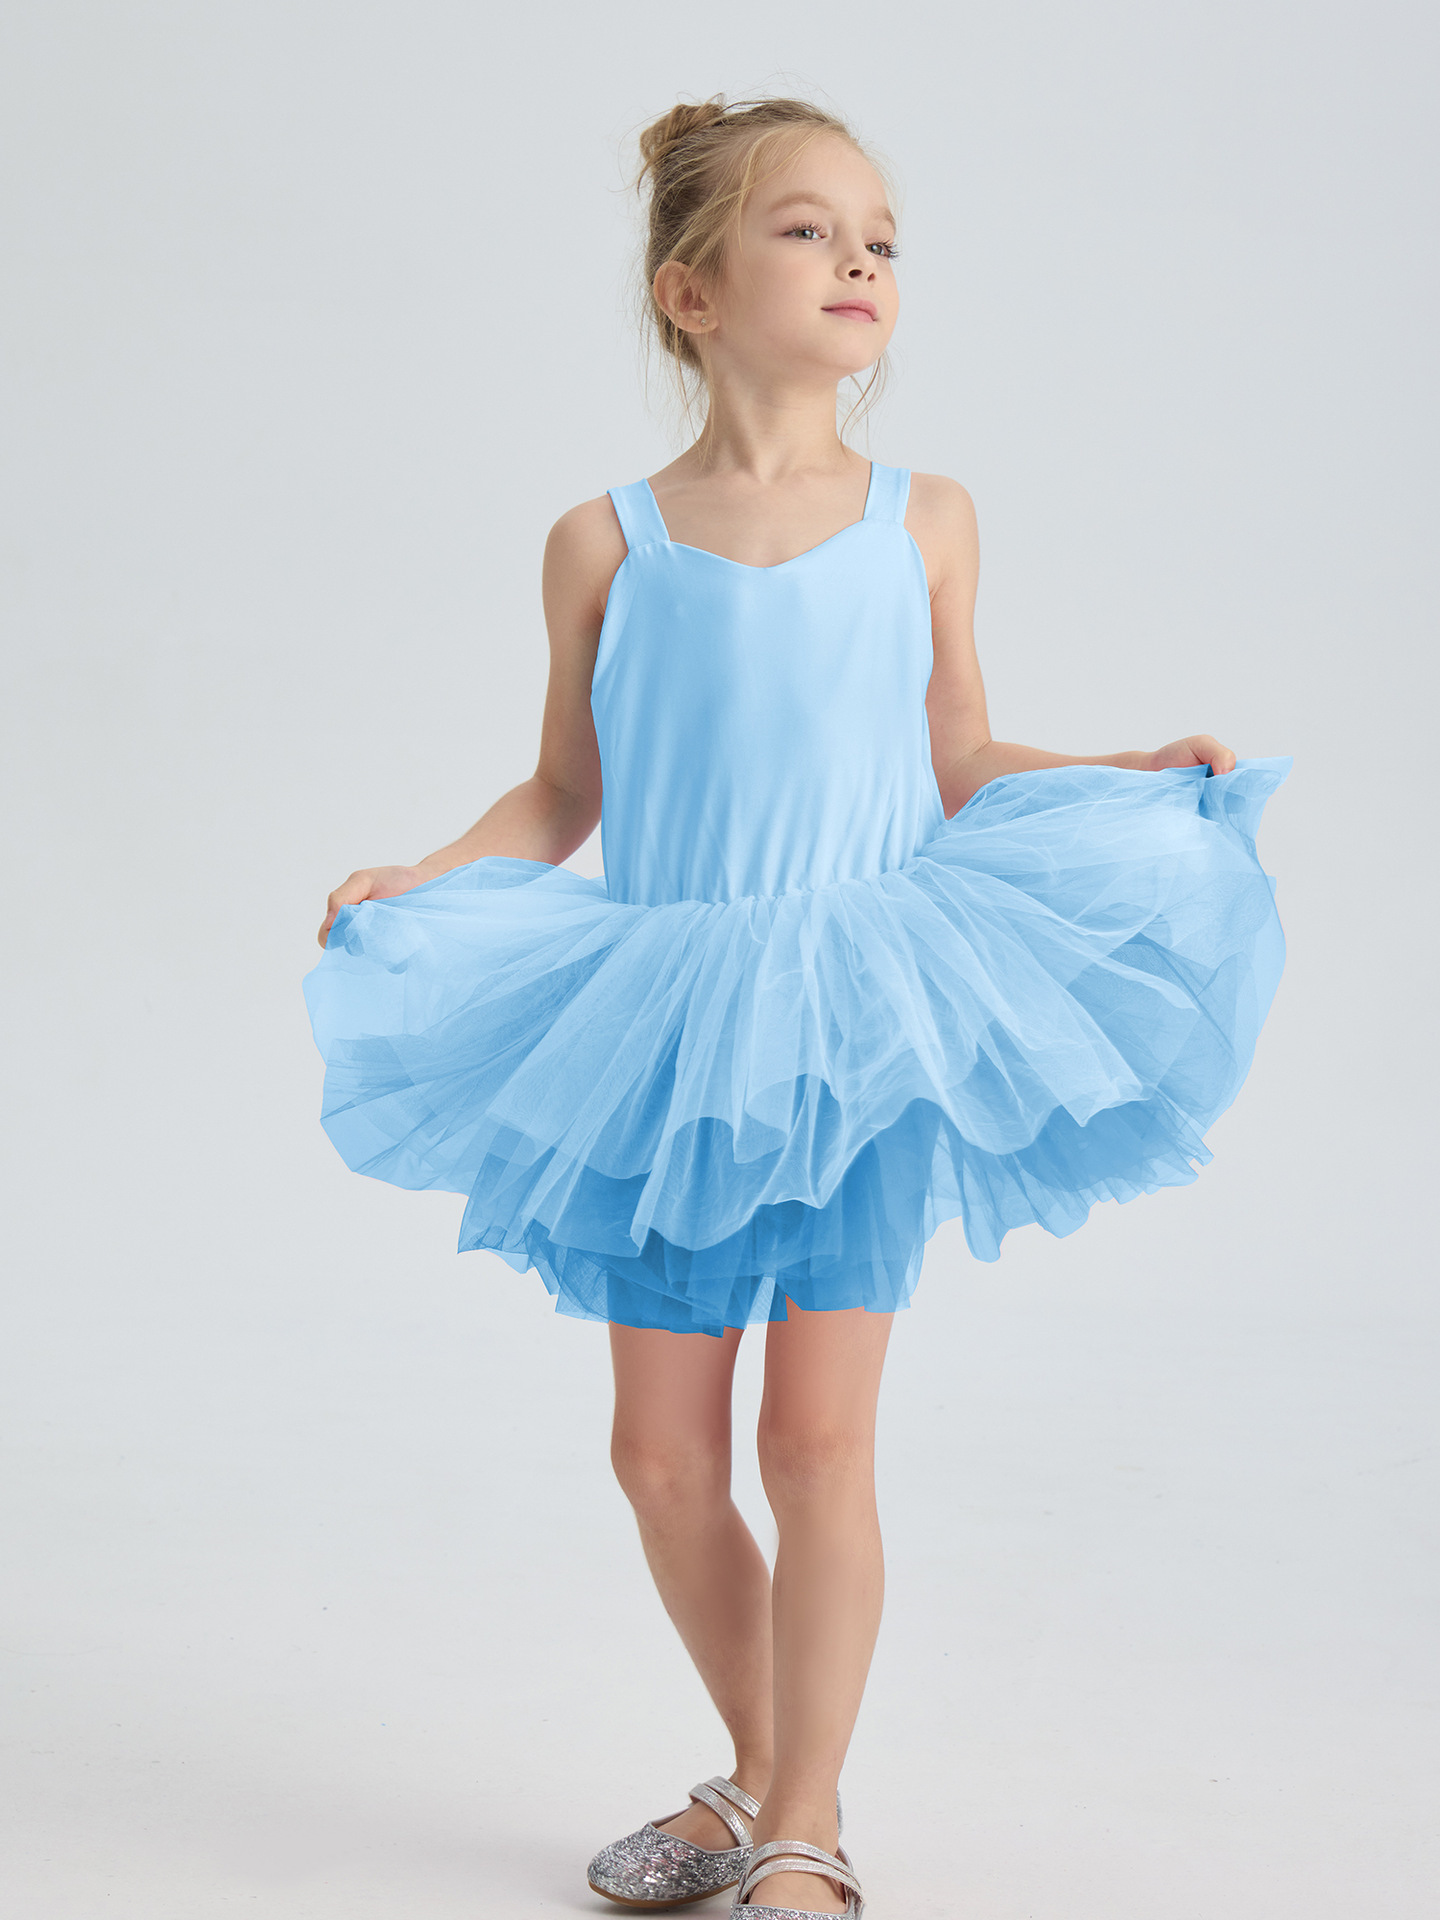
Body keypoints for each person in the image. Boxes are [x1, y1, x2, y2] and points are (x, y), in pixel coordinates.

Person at [304, 94, 1287, 1919]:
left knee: (814, 1442)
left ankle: (804, 1828)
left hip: (855, 1019)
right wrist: (425, 873)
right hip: (665, 1027)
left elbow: (960, 754)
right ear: (690, 292)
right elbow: (565, 793)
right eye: (808, 229)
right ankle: (759, 1769)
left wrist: (1128, 769)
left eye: (881, 239)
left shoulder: (927, 520)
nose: (859, 261)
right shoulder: (605, 542)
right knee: (660, 1457)